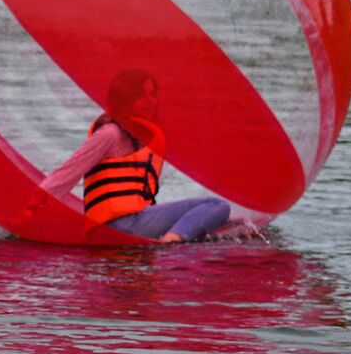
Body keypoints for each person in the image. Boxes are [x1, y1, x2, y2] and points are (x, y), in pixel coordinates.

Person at [23, 70, 229, 243]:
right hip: (119, 225)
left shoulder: (141, 138)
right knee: (217, 206)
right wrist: (29, 211)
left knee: (223, 224)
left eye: (153, 94)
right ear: (126, 99)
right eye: (142, 95)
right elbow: (69, 171)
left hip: (125, 225)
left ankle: (171, 239)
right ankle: (169, 244)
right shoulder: (110, 134)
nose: (151, 101)